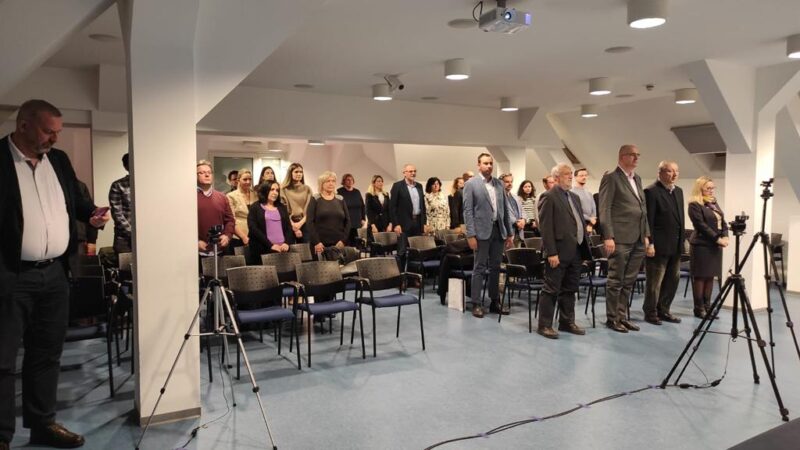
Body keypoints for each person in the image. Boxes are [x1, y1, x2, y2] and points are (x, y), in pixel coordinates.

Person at [0, 99, 110, 448]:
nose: (55, 138)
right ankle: (1, 435)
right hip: (11, 277)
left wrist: (92, 215)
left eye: (58, 132)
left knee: (47, 354)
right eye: (49, 131)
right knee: (2, 360)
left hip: (56, 275)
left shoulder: (58, 160)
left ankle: (42, 424)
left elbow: (75, 201)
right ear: (23, 126)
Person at [599, 145, 650, 333]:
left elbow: (643, 209)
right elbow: (605, 208)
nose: (636, 158)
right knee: (616, 280)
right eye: (632, 155)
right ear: (622, 157)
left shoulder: (637, 178)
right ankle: (612, 318)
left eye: (638, 155)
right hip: (619, 237)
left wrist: (646, 234)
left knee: (629, 280)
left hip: (638, 237)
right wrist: (608, 236)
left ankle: (622, 316)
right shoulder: (611, 178)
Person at [536, 163, 590, 339]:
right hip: (557, 252)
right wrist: (551, 252)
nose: (570, 176)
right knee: (551, 289)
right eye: (566, 174)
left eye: (571, 173)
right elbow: (546, 228)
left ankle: (566, 322)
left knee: (570, 288)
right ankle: (544, 325)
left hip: (575, 250)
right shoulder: (549, 196)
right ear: (556, 177)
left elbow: (578, 222)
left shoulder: (574, 197)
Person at [463, 153, 514, 318]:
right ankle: (476, 303)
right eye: (485, 163)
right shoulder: (471, 184)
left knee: (495, 267)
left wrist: (509, 233)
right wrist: (470, 235)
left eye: (491, 163)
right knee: (479, 267)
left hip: (498, 231)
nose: (489, 166)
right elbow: (468, 211)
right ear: (479, 165)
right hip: (480, 232)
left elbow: (505, 210)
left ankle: (494, 301)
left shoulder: (499, 184)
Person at [642, 161, 685, 325]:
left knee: (672, 281)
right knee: (655, 283)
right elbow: (649, 220)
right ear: (660, 173)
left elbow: (680, 219)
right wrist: (650, 243)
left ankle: (664, 310)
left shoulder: (678, 191)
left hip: (675, 245)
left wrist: (682, 242)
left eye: (676, 171)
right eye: (670, 171)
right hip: (658, 246)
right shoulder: (651, 191)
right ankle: (651, 312)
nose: (674, 174)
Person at [688, 176, 728, 319]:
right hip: (701, 245)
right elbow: (701, 225)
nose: (711, 190)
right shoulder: (694, 204)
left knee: (710, 276)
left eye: (713, 188)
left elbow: (722, 221)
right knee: (701, 277)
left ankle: (707, 307)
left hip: (714, 246)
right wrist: (717, 239)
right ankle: (699, 309)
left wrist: (726, 235)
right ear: (700, 189)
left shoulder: (713, 202)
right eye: (708, 188)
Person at [247, 181, 294, 264]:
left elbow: (289, 227)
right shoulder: (255, 207)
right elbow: (253, 229)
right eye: (272, 189)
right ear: (265, 190)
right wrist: (270, 245)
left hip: (283, 250)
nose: (275, 193)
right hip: (262, 249)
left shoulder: (282, 207)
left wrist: (286, 243)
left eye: (277, 190)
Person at [389, 164, 426, 271]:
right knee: (402, 251)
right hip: (403, 224)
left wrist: (424, 223)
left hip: (417, 222)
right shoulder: (397, 186)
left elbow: (422, 206)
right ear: (404, 173)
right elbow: (392, 207)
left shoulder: (419, 186)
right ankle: (401, 276)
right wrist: (396, 224)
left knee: (416, 250)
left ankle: (413, 275)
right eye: (410, 171)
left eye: (414, 171)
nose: (413, 173)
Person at [307, 171, 351, 257]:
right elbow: (309, 222)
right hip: (320, 245)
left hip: (338, 245)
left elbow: (348, 221)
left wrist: (343, 240)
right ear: (321, 184)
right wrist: (317, 242)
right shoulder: (315, 199)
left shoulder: (340, 199)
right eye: (328, 181)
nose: (331, 183)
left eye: (333, 181)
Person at [197, 160, 235, 256]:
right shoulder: (190, 198)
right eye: (202, 173)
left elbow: (230, 220)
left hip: (220, 251)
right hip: (197, 254)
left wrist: (227, 235)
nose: (207, 175)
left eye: (209, 172)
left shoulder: (222, 197)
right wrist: (194, 241)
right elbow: (183, 225)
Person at [281, 162, 312, 243]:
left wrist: (299, 224)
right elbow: (283, 210)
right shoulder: (284, 189)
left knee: (306, 248)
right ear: (290, 173)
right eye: (296, 172)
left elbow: (310, 209)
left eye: (301, 172)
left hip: (304, 222)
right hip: (289, 223)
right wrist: (294, 226)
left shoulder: (307, 189)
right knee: (289, 248)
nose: (299, 174)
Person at [226, 169, 257, 252]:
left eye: (250, 179)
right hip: (238, 237)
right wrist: (243, 237)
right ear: (238, 180)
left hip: (255, 236)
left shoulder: (255, 194)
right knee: (240, 259)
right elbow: (231, 220)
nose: (248, 182)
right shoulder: (231, 196)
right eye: (245, 179)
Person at [108, 153, 132, 254]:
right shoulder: (118, 185)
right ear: (126, 167)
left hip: (148, 236)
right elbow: (117, 213)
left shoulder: (148, 184)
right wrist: (133, 232)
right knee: (126, 264)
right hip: (124, 238)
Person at [336, 173, 366, 246]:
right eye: (348, 180)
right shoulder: (339, 191)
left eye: (351, 180)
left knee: (357, 244)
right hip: (346, 223)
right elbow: (337, 207)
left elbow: (362, 206)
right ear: (344, 181)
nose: (350, 181)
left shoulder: (357, 192)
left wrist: (363, 219)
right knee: (347, 244)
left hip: (357, 222)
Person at [500, 173, 525, 246]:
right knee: (507, 253)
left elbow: (522, 210)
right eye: (507, 182)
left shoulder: (516, 197)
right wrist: (516, 222)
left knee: (517, 253)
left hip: (519, 232)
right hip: (507, 232)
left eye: (511, 182)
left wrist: (523, 220)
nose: (510, 184)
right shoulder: (499, 197)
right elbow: (503, 213)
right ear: (501, 183)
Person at [365, 175, 392, 241]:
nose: (381, 183)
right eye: (378, 181)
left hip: (385, 223)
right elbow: (368, 211)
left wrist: (390, 224)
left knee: (386, 244)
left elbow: (389, 210)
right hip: (375, 223)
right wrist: (373, 225)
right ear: (373, 183)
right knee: (376, 244)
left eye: (382, 181)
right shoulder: (369, 195)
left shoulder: (386, 194)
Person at [572, 168, 598, 234]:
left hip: (590, 226)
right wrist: (589, 219)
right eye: (581, 175)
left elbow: (594, 209)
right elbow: (575, 210)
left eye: (586, 175)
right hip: (578, 225)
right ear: (575, 177)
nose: (584, 177)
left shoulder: (589, 193)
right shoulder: (572, 193)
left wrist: (590, 224)